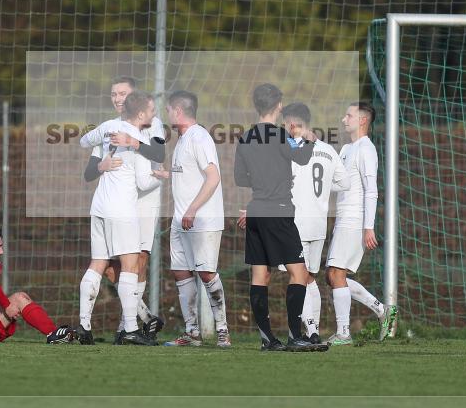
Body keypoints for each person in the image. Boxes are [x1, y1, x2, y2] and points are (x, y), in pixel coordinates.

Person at [234, 83, 326, 352]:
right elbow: (301, 158)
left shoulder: (246, 137)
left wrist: (262, 179)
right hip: (279, 211)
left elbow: (240, 178)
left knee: (259, 276)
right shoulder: (281, 135)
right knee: (299, 272)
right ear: (279, 106)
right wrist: (308, 139)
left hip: (256, 211)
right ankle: (295, 336)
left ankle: (267, 340)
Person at [81, 76, 166, 341]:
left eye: (122, 94)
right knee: (129, 265)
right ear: (140, 111)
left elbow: (85, 139)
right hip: (124, 206)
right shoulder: (134, 131)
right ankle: (130, 328)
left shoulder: (118, 126)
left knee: (107, 263)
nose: (118, 99)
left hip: (105, 206)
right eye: (114, 94)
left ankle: (88, 327)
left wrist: (122, 148)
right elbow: (143, 179)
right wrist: (161, 177)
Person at [156, 90, 230, 348]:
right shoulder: (182, 140)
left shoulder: (200, 137)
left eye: (168, 109)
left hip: (201, 220)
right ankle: (192, 332)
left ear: (178, 111)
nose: (167, 114)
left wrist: (192, 210)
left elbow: (213, 177)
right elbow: (190, 175)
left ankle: (222, 330)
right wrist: (168, 176)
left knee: (207, 273)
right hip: (181, 220)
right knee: (180, 272)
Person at [325, 102, 397, 345]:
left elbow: (371, 191)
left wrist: (369, 226)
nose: (344, 119)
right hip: (343, 217)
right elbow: (340, 184)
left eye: (349, 115)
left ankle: (344, 333)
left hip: (355, 220)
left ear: (363, 120)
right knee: (334, 276)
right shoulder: (346, 149)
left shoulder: (367, 149)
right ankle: (382, 310)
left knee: (336, 273)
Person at [277, 102, 347, 344]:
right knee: (308, 278)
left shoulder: (289, 150)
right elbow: (344, 183)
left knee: (299, 277)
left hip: (294, 223)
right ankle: (313, 331)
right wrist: (324, 191)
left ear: (293, 124)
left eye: (285, 123)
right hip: (318, 223)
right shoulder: (328, 149)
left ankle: (309, 331)